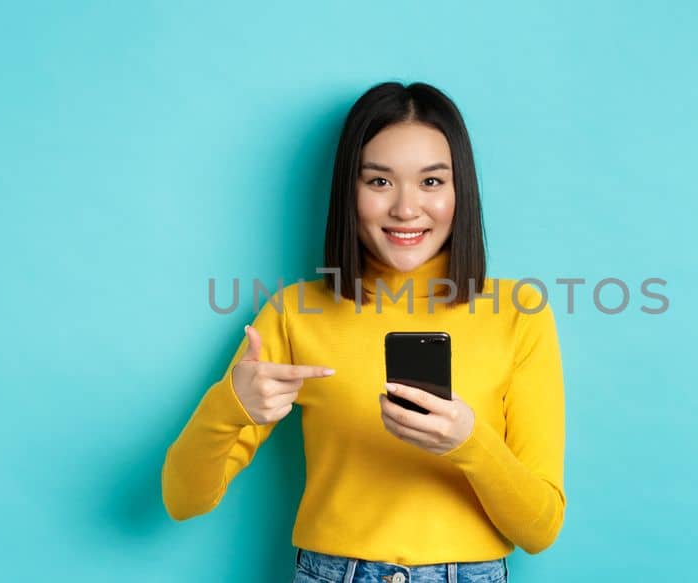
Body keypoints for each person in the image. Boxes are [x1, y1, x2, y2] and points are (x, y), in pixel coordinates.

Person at [162, 81, 565, 583]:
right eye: (379, 182)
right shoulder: (295, 312)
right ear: (349, 192)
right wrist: (228, 406)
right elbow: (183, 500)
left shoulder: (518, 313)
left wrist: (469, 443)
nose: (405, 208)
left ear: (461, 191)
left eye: (432, 182)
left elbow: (541, 528)